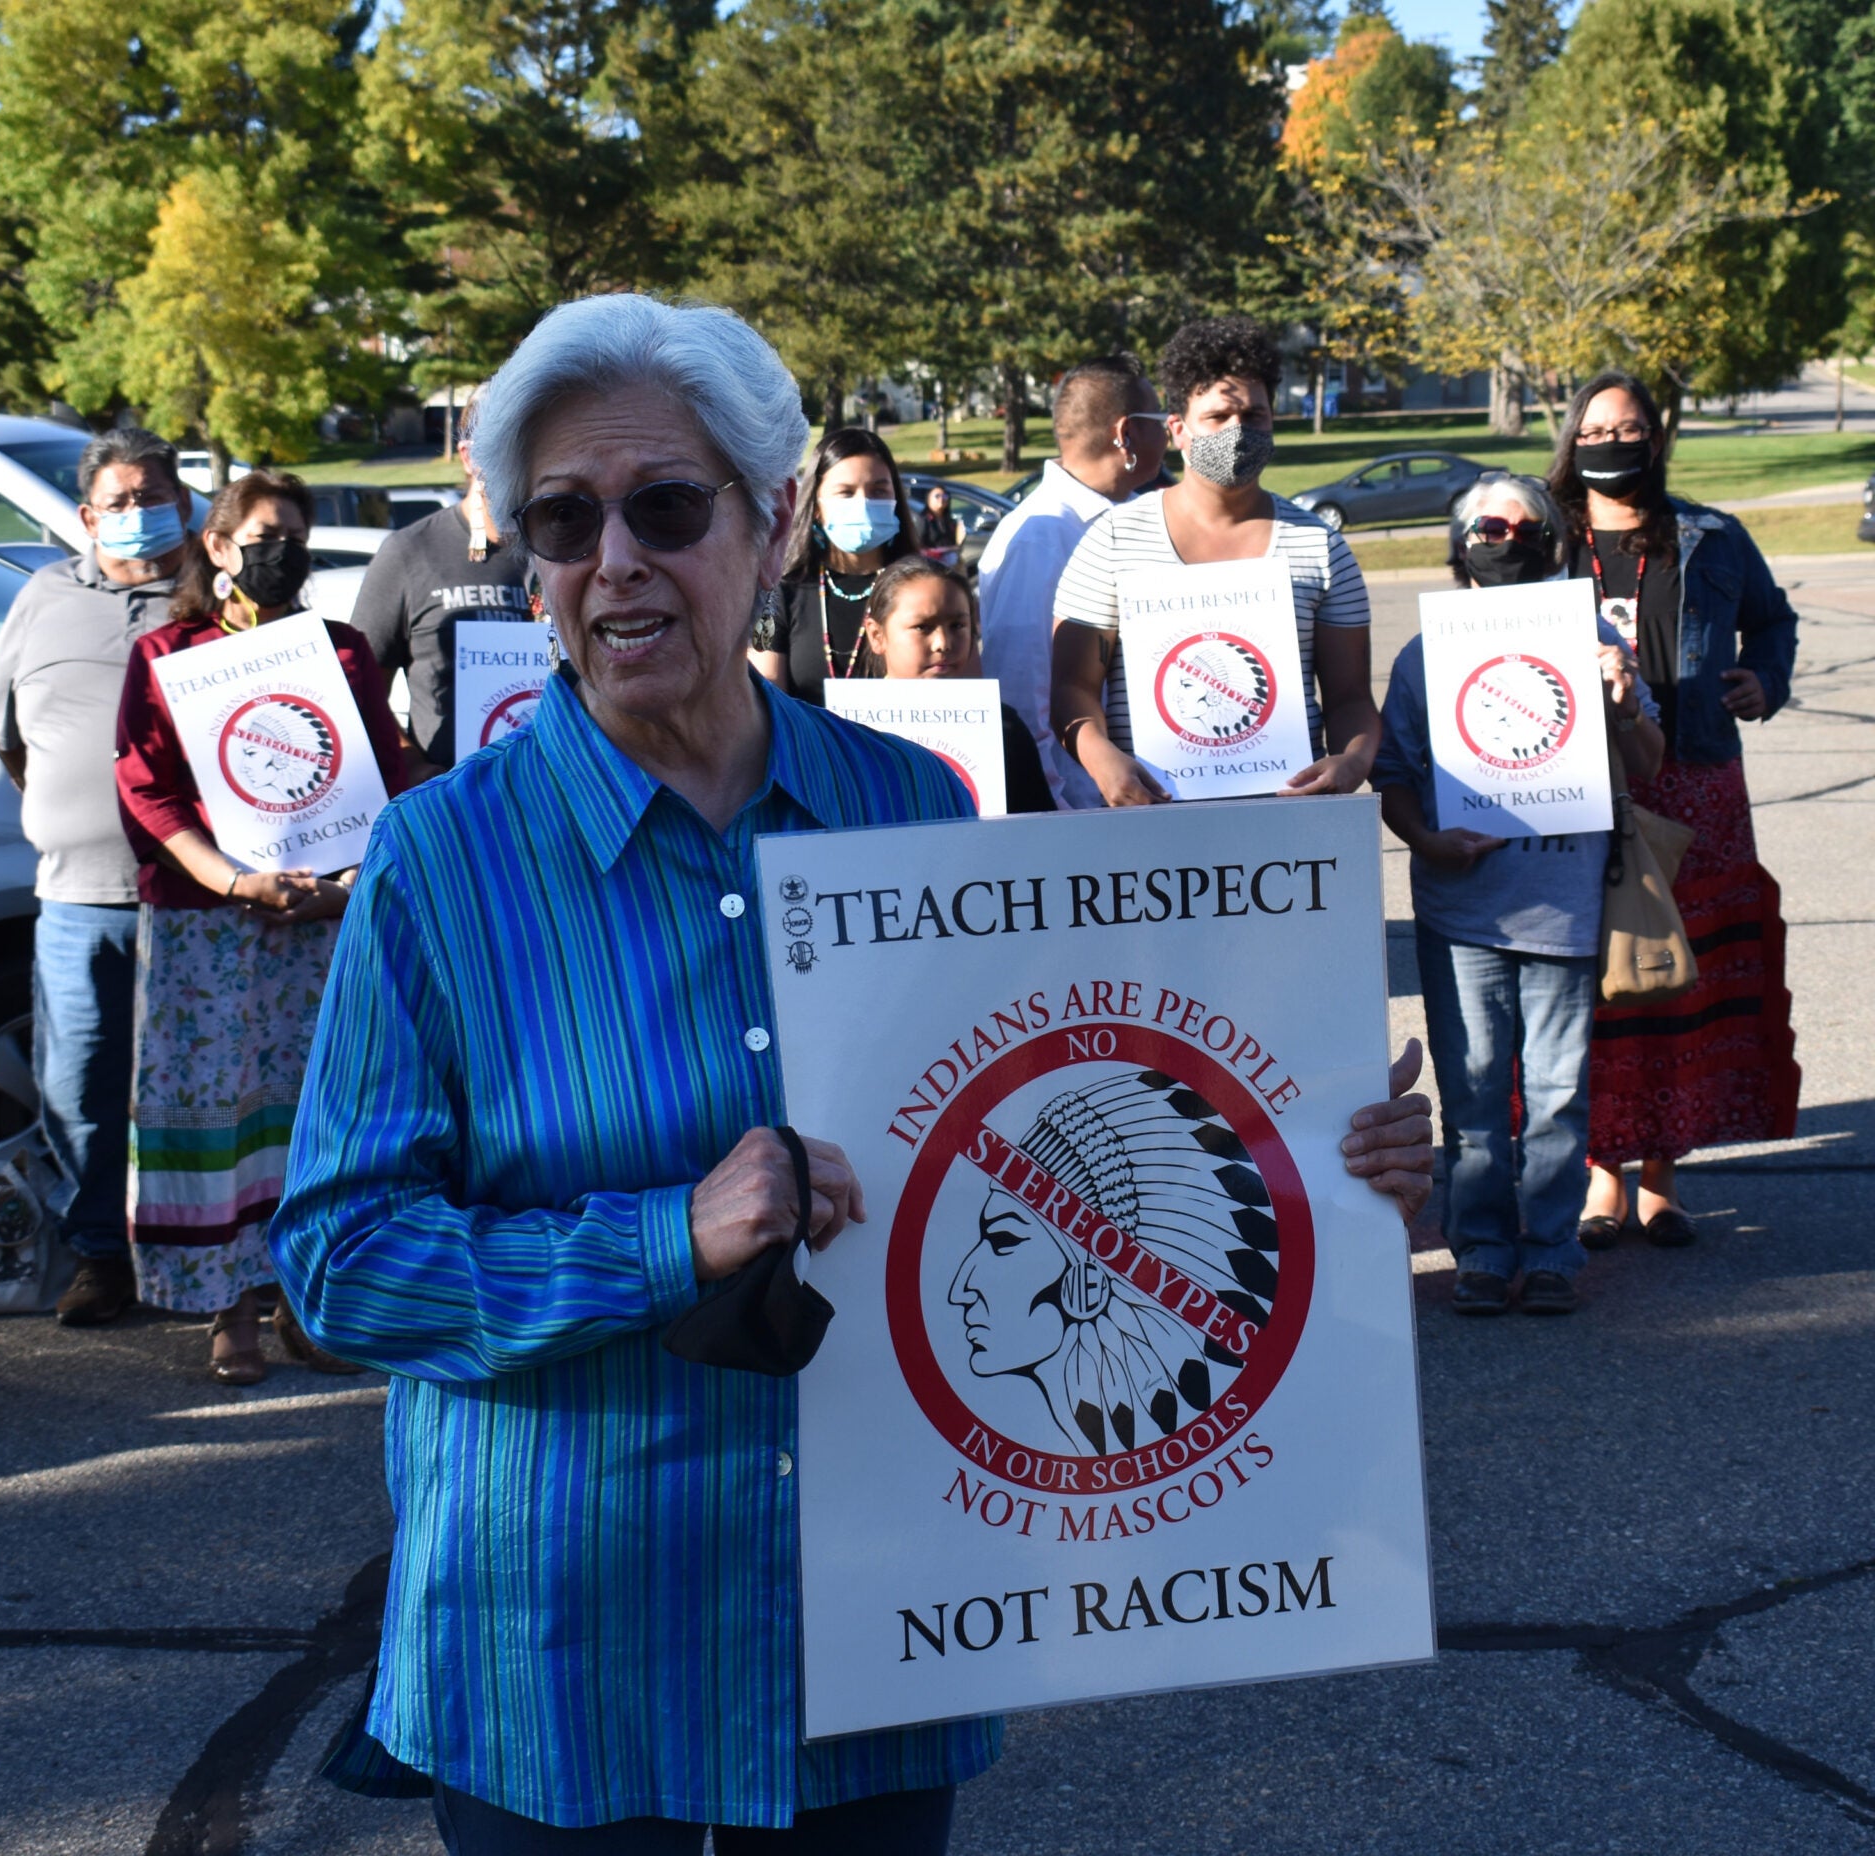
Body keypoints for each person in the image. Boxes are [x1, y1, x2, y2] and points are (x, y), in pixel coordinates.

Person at [267, 293, 1439, 1851]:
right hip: (560, 1649)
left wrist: (1311, 1157)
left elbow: (1054, 1130)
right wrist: (661, 1240)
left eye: (665, 507)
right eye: (565, 518)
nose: (613, 558)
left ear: (766, 531)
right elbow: (343, 1268)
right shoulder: (442, 859)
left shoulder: (913, 806)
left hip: (879, 1628)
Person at [114, 471, 409, 1384]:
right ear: (217, 546)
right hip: (207, 923)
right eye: (264, 534)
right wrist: (235, 880)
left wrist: (347, 887)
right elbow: (145, 792)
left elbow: (384, 778)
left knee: (314, 1110)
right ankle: (226, 1310)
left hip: (319, 918)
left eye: (296, 535)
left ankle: (304, 1299)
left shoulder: (344, 653)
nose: (281, 551)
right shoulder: (168, 652)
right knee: (216, 1109)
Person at [1372, 474, 1665, 1315]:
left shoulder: (1590, 637)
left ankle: (1550, 1252)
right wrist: (1428, 841)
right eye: (1485, 523)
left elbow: (1649, 759)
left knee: (1558, 1097)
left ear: (1550, 543)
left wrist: (1619, 699)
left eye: (1521, 523)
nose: (1503, 535)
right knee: (1470, 1098)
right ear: (1461, 539)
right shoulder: (1425, 656)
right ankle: (1482, 1252)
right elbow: (1391, 777)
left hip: (1566, 908)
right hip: (1462, 911)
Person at [1548, 372, 1801, 1249]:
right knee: (1590, 984)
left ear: (1656, 441)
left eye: (1629, 428)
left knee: (1678, 983)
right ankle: (1598, 1177)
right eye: (1595, 427)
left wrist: (1764, 678)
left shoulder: (1713, 536)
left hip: (1695, 780)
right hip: (1573, 783)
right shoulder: (1540, 535)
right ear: (1572, 439)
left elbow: (1774, 622)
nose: (1611, 442)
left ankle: (1662, 1175)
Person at [0, 427, 194, 1329]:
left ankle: (206, 1269)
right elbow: (8, 734)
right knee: (81, 1092)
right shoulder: (41, 598)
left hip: (195, 897)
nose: (139, 515)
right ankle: (100, 1258)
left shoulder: (212, 606)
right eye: (120, 502)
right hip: (76, 894)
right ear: (85, 516)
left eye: (154, 497)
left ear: (184, 505)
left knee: (195, 1090)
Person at [1047, 316, 1378, 806]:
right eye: (1219, 417)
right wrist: (1102, 762)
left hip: (1288, 822)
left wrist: (1352, 760)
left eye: (1255, 416)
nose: (1239, 431)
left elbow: (1351, 698)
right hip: (1153, 819)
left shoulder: (1318, 547)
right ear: (1179, 430)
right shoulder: (1112, 541)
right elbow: (1072, 687)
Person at [971, 355, 1169, 810]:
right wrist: (1059, 812)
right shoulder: (1041, 537)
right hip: (1087, 810)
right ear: (1126, 433)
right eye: (1159, 419)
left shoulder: (1135, 516)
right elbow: (1022, 696)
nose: (1170, 433)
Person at [351, 404, 536, 777]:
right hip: (451, 804)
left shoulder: (569, 549)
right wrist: (413, 764)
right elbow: (360, 697)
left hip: (557, 794)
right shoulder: (409, 551)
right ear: (468, 457)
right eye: (500, 449)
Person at [860, 554, 1056, 815]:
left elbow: (1036, 831)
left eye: (957, 625)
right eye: (922, 627)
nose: (943, 643)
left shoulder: (1003, 729)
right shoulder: (849, 730)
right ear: (876, 635)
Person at [748, 427, 920, 704]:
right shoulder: (779, 593)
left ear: (895, 498)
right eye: (845, 492)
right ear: (817, 506)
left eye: (878, 491)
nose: (864, 503)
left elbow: (964, 690)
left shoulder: (926, 590)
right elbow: (765, 698)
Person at [913, 483, 963, 563]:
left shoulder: (950, 522)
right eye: (937, 496)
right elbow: (918, 547)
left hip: (950, 565)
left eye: (944, 496)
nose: (941, 499)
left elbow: (957, 543)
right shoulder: (922, 520)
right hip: (930, 564)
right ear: (928, 499)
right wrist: (946, 550)